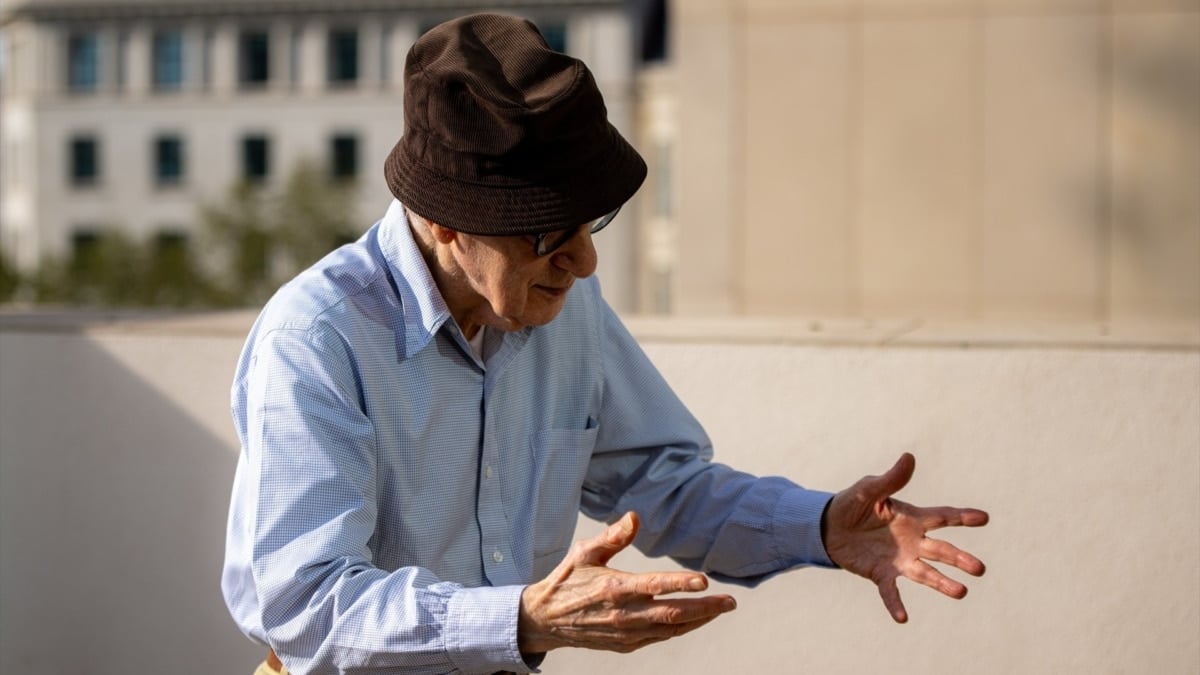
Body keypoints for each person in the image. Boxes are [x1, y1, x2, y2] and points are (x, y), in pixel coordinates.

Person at [221, 13, 989, 675]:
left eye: (593, 223)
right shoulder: (318, 338)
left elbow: (666, 484)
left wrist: (819, 524)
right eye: (552, 231)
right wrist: (519, 618)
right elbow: (303, 600)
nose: (585, 261)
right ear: (446, 221)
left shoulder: (564, 303)